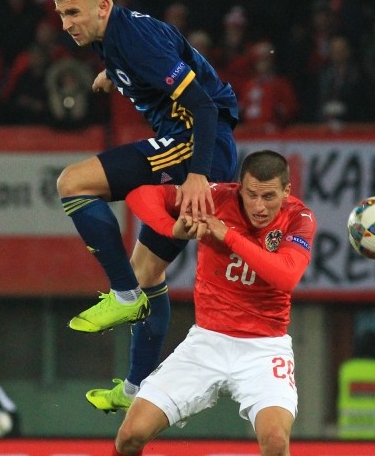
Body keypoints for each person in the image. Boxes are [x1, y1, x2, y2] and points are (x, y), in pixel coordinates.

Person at [51, 0, 239, 411]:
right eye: (60, 15)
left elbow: (203, 105)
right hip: (198, 148)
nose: (66, 24)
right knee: (148, 273)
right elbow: (164, 59)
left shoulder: (134, 40)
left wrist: (197, 174)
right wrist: (115, 74)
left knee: (73, 182)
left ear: (103, 6)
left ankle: (123, 296)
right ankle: (136, 390)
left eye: (73, 13)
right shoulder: (114, 37)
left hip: (195, 145)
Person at [112, 149, 316, 456]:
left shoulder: (299, 218)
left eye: (269, 196)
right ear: (240, 187)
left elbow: (286, 276)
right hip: (206, 342)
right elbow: (141, 194)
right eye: (251, 195)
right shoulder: (214, 198)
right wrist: (172, 229)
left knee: (275, 441)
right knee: (130, 435)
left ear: (287, 191)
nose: (259, 206)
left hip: (264, 348)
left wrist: (228, 235)